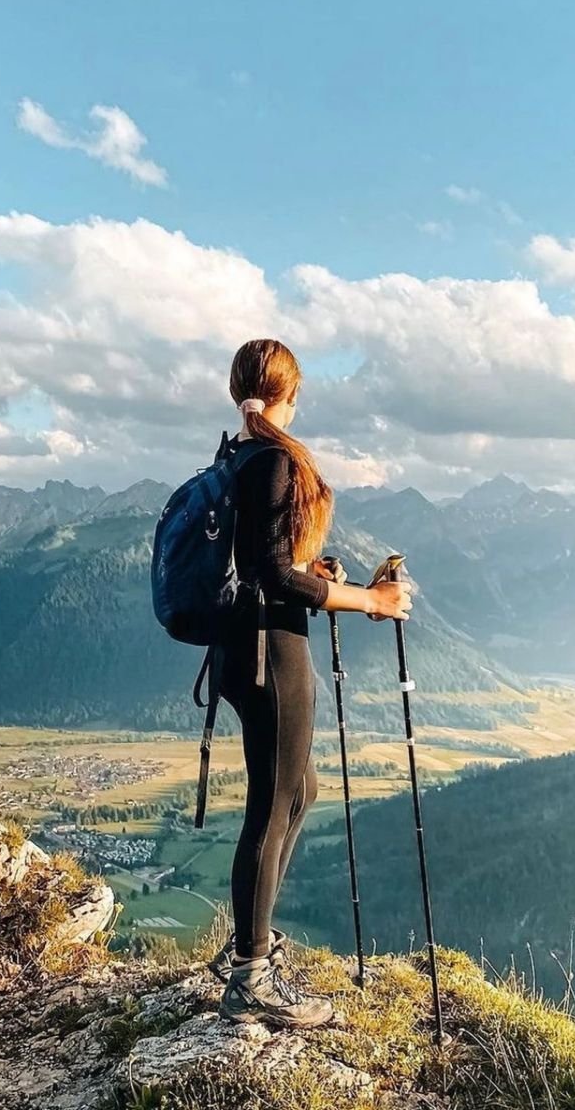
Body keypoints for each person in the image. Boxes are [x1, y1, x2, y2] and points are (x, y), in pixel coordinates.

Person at [208, 338, 412, 1029]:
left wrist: (310, 572)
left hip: (245, 648)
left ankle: (248, 942)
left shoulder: (234, 456)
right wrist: (368, 600)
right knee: (274, 803)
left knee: (301, 790)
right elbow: (269, 573)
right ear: (292, 394)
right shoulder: (272, 459)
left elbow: (263, 564)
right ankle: (249, 974)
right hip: (271, 655)